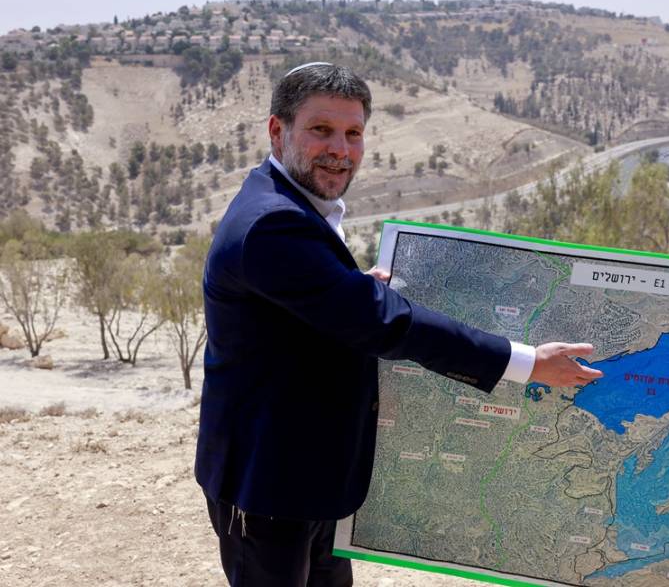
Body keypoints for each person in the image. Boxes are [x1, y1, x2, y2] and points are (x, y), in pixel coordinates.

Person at [195, 62, 603, 587]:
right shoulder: (273, 222)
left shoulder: (290, 203)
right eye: (321, 129)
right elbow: (388, 325)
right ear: (278, 130)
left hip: (311, 474)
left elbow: (309, 308)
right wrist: (525, 363)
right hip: (266, 484)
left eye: (353, 133)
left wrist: (345, 291)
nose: (340, 149)